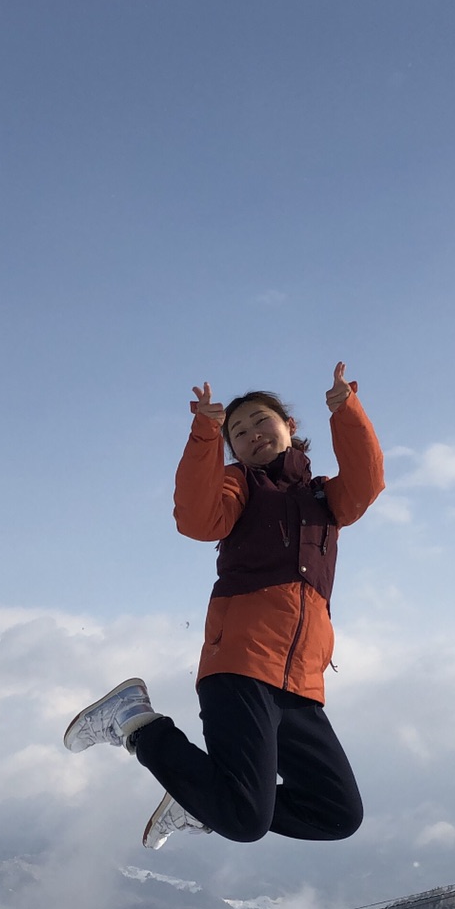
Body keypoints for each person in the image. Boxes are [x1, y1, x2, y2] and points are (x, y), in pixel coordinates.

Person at [64, 361, 385, 849]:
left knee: (337, 813)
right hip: (241, 665)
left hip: (300, 683)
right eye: (238, 431)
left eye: (261, 421)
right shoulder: (240, 487)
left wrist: (347, 410)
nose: (252, 433)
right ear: (231, 448)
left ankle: (202, 794)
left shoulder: (324, 497)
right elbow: (197, 518)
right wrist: (204, 437)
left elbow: (366, 484)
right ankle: (134, 721)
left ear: (289, 426)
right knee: (244, 821)